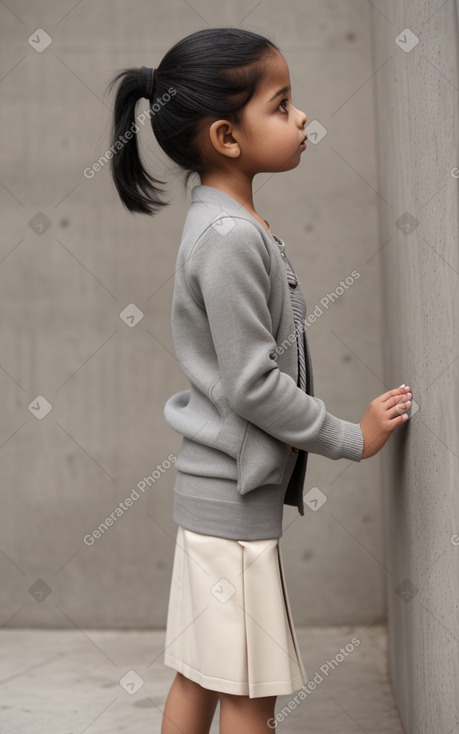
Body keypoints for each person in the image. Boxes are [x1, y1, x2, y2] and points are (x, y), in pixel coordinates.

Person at [106, 27, 413, 734]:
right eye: (281, 106)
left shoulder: (228, 223)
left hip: (217, 501)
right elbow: (251, 386)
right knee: (249, 696)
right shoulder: (230, 239)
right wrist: (350, 436)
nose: (301, 119)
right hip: (231, 511)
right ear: (226, 137)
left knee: (203, 674)